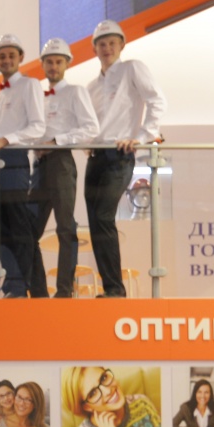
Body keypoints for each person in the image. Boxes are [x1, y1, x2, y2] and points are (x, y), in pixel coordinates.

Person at [83, 20, 165, 299]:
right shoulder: (91, 86)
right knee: (95, 222)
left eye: (112, 43)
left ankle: (116, 290)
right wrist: (87, 143)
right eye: (101, 44)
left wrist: (141, 136)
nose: (107, 48)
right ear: (94, 49)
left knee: (103, 216)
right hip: (95, 157)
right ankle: (111, 288)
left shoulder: (132, 68)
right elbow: (90, 123)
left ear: (122, 45)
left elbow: (157, 100)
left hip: (120, 155)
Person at [27, 37, 100, 299]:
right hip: (38, 166)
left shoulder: (75, 91)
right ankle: (38, 292)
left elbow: (91, 128)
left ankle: (64, 291)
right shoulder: (37, 95)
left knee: (65, 227)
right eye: (49, 62)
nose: (54, 66)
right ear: (42, 65)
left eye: (58, 61)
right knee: (28, 232)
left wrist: (57, 141)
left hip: (61, 162)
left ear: (67, 64)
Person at [0, 34, 46, 298]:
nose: (6, 60)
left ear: (21, 57)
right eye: (1, 56)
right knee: (1, 230)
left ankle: (27, 287)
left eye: (11, 55)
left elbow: (38, 127)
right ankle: (15, 286)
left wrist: (6, 139)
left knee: (19, 227)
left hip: (15, 160)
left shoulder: (30, 85)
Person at [64, 365, 160, 427]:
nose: (108, 391)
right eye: (93, 393)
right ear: (87, 407)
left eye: (103, 378)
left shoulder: (142, 403)